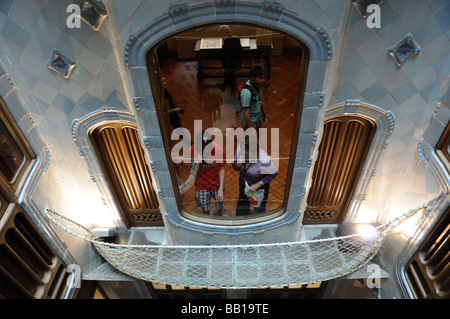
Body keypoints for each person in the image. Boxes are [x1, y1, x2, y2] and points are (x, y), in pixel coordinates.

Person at [183, 131, 226, 216]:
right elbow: (192, 173)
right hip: (201, 184)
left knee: (219, 205)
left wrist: (221, 188)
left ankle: (220, 215)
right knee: (204, 208)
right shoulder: (192, 150)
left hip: (216, 183)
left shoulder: (217, 149)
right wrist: (197, 162)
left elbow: (222, 168)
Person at [232, 135, 277, 216]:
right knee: (242, 208)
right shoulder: (241, 150)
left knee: (259, 209)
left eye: (246, 154)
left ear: (254, 152)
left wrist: (257, 185)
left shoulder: (263, 159)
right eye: (242, 153)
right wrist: (238, 165)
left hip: (260, 186)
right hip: (244, 183)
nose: (243, 156)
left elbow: (273, 174)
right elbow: (234, 166)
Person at [216, 25, 243, 93]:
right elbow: (240, 51)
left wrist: (226, 67)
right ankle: (224, 85)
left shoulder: (227, 43)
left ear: (224, 32)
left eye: (221, 32)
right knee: (230, 75)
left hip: (230, 64)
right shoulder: (236, 38)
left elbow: (226, 56)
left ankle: (233, 92)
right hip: (236, 62)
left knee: (231, 77)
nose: (221, 34)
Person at [239, 65, 266, 130]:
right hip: (249, 123)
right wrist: (251, 129)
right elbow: (246, 113)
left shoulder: (256, 85)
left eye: (263, 77)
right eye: (260, 78)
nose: (263, 80)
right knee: (250, 139)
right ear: (252, 78)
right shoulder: (246, 93)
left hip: (256, 118)